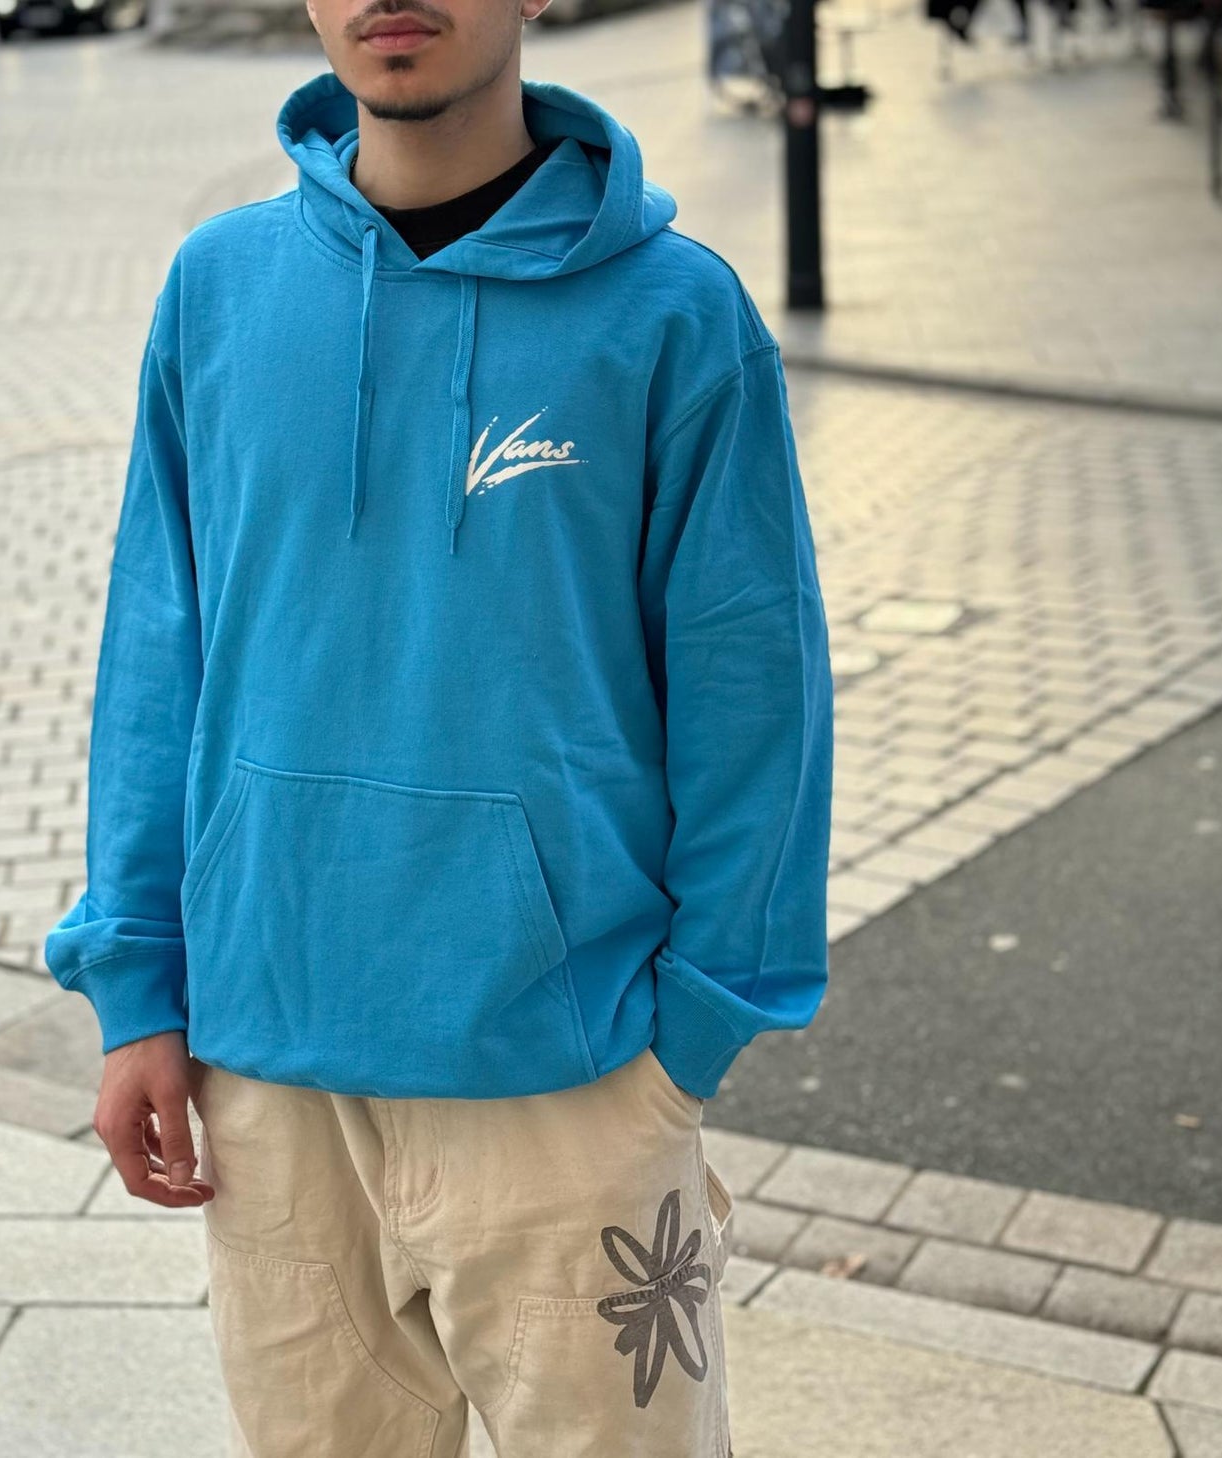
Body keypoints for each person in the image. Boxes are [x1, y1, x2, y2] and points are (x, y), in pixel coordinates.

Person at [43, 0, 834, 1452]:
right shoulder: (218, 288)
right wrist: (138, 987)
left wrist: (694, 1035)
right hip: (270, 1072)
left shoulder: (674, 313)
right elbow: (159, 653)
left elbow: (753, 693)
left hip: (570, 1082)